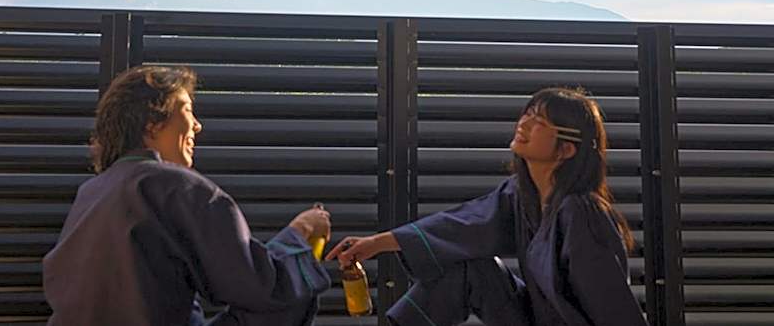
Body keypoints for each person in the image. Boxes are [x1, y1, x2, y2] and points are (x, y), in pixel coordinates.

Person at [327, 87, 647, 326]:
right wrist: (376, 244)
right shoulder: (520, 195)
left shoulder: (582, 213)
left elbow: (612, 306)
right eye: (528, 114)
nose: (524, 123)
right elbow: (462, 225)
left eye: (540, 122)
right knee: (472, 269)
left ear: (566, 149)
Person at [43, 65, 331, 326]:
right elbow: (261, 286)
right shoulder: (177, 186)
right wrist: (301, 231)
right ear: (152, 121)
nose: (197, 125)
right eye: (187, 109)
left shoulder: (92, 192)